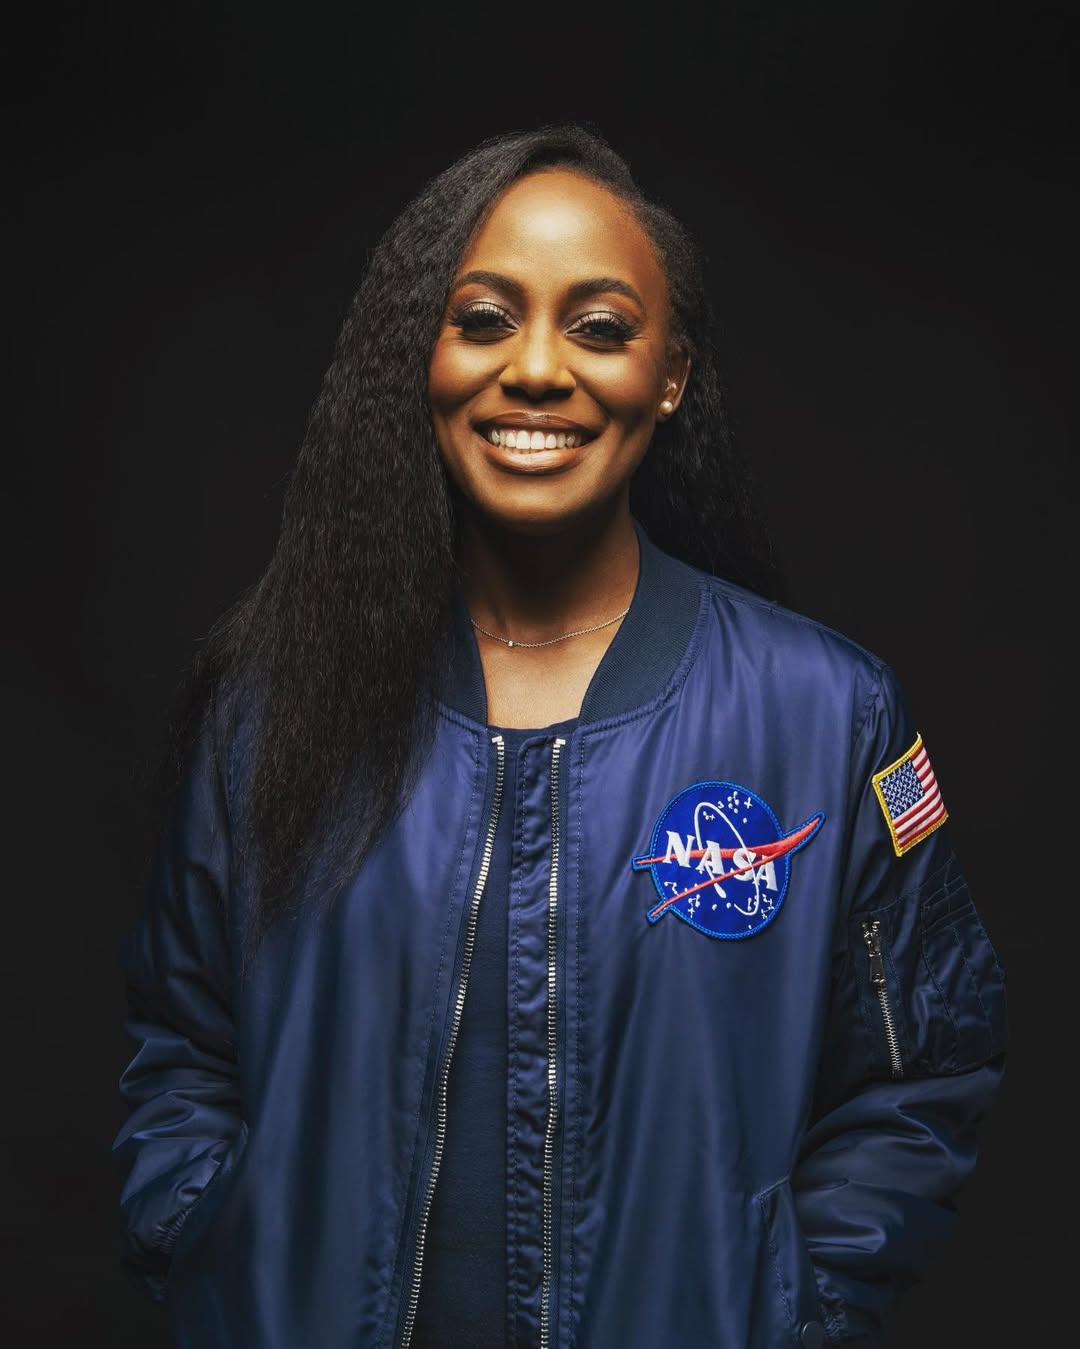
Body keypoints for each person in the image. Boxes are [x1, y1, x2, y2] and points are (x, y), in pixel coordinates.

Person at [112, 123, 1007, 1349]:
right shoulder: (269, 703)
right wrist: (224, 1250)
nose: (535, 369)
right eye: (482, 318)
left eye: (599, 326)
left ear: (672, 373)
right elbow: (180, 1041)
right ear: (417, 359)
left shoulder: (825, 713)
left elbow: (923, 1071)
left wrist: (779, 1305)